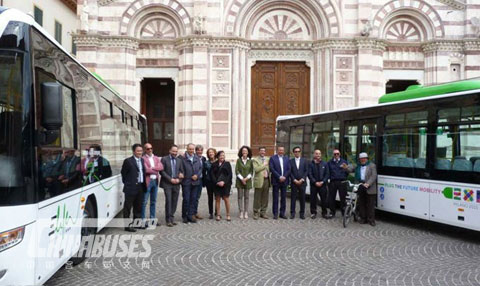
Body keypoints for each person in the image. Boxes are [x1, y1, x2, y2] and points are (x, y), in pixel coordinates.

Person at [345, 152, 377, 226]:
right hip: (360, 185)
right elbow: (350, 170)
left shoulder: (372, 165)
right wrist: (345, 167)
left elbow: (374, 176)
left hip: (370, 186)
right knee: (361, 203)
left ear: (367, 159)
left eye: (364, 158)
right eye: (361, 159)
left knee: (370, 204)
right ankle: (363, 218)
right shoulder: (357, 165)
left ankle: (371, 220)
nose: (363, 160)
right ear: (359, 160)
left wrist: (368, 183)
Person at [121, 144, 147, 232]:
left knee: (138, 207)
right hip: (130, 188)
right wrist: (129, 183)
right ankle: (127, 225)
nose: (140, 152)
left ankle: (137, 223)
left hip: (140, 186)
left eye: (141, 150)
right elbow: (123, 174)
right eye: (138, 151)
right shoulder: (128, 161)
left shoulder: (142, 160)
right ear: (134, 151)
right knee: (128, 207)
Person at [160, 144, 184, 227]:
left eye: (176, 151)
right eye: (173, 151)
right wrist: (170, 179)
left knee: (174, 201)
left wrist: (180, 178)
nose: (175, 153)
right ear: (170, 151)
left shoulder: (179, 160)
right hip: (167, 183)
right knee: (169, 200)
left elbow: (182, 171)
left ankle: (172, 218)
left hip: (177, 183)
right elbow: (162, 171)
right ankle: (168, 220)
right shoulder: (164, 159)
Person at [142, 143, 164, 228]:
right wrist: (155, 169)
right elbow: (146, 170)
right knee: (144, 202)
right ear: (145, 150)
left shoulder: (156, 158)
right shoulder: (143, 159)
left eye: (151, 148)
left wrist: (152, 168)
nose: (150, 150)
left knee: (153, 201)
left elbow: (161, 167)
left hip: (155, 181)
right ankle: (143, 221)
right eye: (148, 149)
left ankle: (152, 219)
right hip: (148, 181)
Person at [180, 143, 203, 224]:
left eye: (192, 149)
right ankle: (184, 216)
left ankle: (190, 215)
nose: (191, 151)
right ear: (187, 149)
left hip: (195, 182)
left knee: (193, 199)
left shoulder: (196, 157)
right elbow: (181, 169)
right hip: (186, 182)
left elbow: (200, 168)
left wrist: (197, 175)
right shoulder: (183, 158)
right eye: (190, 149)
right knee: (186, 199)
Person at [269, 146, 291, 219]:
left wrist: (284, 176)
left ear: (284, 151)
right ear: (277, 150)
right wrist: (279, 177)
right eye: (280, 150)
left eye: (282, 150)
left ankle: (282, 213)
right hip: (276, 180)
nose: (281, 151)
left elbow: (289, 169)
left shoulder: (287, 158)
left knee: (283, 198)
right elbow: (272, 169)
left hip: (284, 180)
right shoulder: (273, 158)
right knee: (275, 198)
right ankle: (275, 213)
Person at [210, 150, 232, 221]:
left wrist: (224, 182)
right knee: (217, 199)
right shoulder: (214, 164)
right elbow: (212, 174)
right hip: (217, 185)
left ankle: (228, 215)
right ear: (218, 156)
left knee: (226, 199)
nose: (222, 157)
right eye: (220, 155)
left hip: (225, 185)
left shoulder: (227, 164)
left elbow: (230, 175)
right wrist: (216, 182)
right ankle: (218, 215)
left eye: (223, 155)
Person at [308, 149, 330, 219]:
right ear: (314, 155)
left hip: (322, 184)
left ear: (321, 155)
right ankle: (313, 212)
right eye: (316, 154)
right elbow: (309, 174)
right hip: (314, 185)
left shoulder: (325, 163)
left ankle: (324, 213)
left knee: (324, 199)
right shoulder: (310, 164)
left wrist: (323, 181)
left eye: (319, 154)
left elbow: (327, 174)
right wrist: (315, 182)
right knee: (313, 200)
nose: (318, 155)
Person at [327, 149, 350, 218]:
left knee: (343, 198)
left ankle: (344, 212)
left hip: (342, 182)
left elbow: (348, 172)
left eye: (338, 154)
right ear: (333, 155)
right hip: (333, 182)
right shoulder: (330, 162)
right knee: (331, 198)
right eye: (335, 154)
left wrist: (345, 169)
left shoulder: (344, 162)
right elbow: (328, 172)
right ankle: (332, 212)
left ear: (340, 154)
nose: (336, 155)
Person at [289, 146, 308, 219]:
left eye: (298, 151)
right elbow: (290, 172)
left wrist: (302, 179)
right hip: (294, 182)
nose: (297, 153)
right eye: (295, 152)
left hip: (302, 182)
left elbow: (306, 171)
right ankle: (292, 213)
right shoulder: (291, 161)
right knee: (293, 198)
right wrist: (294, 180)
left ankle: (302, 213)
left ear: (300, 152)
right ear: (293, 153)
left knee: (302, 198)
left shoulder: (304, 161)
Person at [235, 145, 253, 219]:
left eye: (246, 151)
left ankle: (246, 212)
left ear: (248, 152)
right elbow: (237, 170)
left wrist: (246, 179)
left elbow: (252, 171)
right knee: (239, 197)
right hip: (240, 181)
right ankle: (241, 211)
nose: (244, 152)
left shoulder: (250, 161)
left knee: (247, 197)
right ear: (241, 152)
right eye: (243, 151)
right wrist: (242, 179)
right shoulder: (238, 160)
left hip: (247, 181)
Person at [252, 146, 270, 220]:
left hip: (266, 180)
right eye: (261, 151)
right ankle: (256, 212)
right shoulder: (255, 160)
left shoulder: (268, 159)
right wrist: (264, 165)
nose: (262, 152)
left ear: (265, 152)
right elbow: (256, 169)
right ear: (259, 152)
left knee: (265, 198)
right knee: (257, 198)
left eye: (264, 151)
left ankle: (263, 212)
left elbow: (270, 168)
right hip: (259, 180)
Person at [203, 148, 217, 219]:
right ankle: (211, 213)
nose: (211, 153)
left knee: (217, 197)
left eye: (212, 152)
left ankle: (217, 212)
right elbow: (204, 172)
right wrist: (205, 181)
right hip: (209, 182)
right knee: (210, 198)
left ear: (215, 153)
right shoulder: (206, 163)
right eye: (209, 153)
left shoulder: (218, 162)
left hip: (217, 182)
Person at [193, 145, 206, 220]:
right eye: (198, 150)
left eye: (201, 150)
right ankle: (191, 212)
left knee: (197, 197)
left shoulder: (203, 159)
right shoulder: (193, 158)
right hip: (194, 179)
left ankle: (195, 212)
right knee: (193, 196)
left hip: (200, 180)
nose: (199, 152)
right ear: (196, 151)